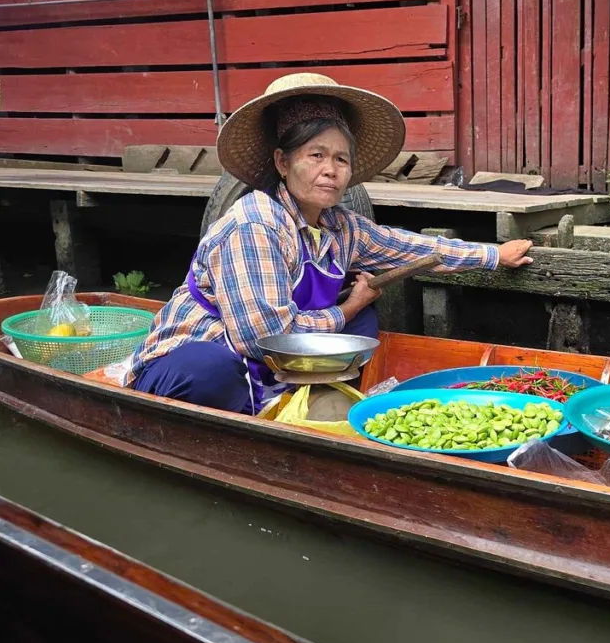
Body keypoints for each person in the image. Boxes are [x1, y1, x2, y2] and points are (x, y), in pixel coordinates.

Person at [127, 73, 533, 414]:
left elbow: (410, 249)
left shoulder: (340, 226)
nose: (330, 170)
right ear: (282, 162)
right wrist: (346, 308)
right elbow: (265, 340)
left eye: (341, 159)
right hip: (203, 359)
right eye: (315, 155)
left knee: (363, 325)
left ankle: (300, 406)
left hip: (274, 365)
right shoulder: (253, 226)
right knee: (210, 369)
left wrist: (493, 255)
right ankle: (255, 419)